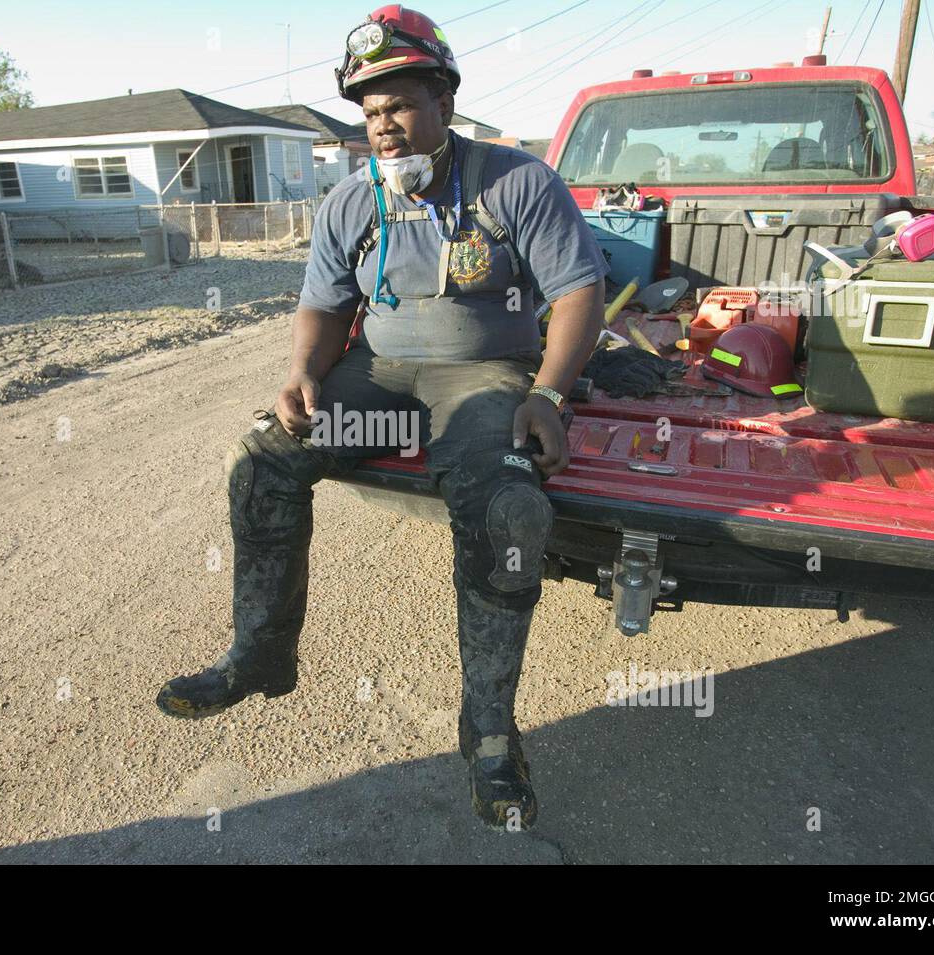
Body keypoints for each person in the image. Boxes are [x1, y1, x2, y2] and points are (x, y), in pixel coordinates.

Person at [157, 4, 607, 830]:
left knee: (509, 509)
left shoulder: (517, 182)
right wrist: (302, 372)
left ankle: (489, 727)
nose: (385, 128)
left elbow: (580, 290)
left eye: (399, 104)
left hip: (482, 381)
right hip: (381, 385)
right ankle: (259, 655)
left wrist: (547, 394)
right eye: (369, 113)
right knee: (261, 461)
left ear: (444, 99)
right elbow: (324, 308)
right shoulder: (350, 202)